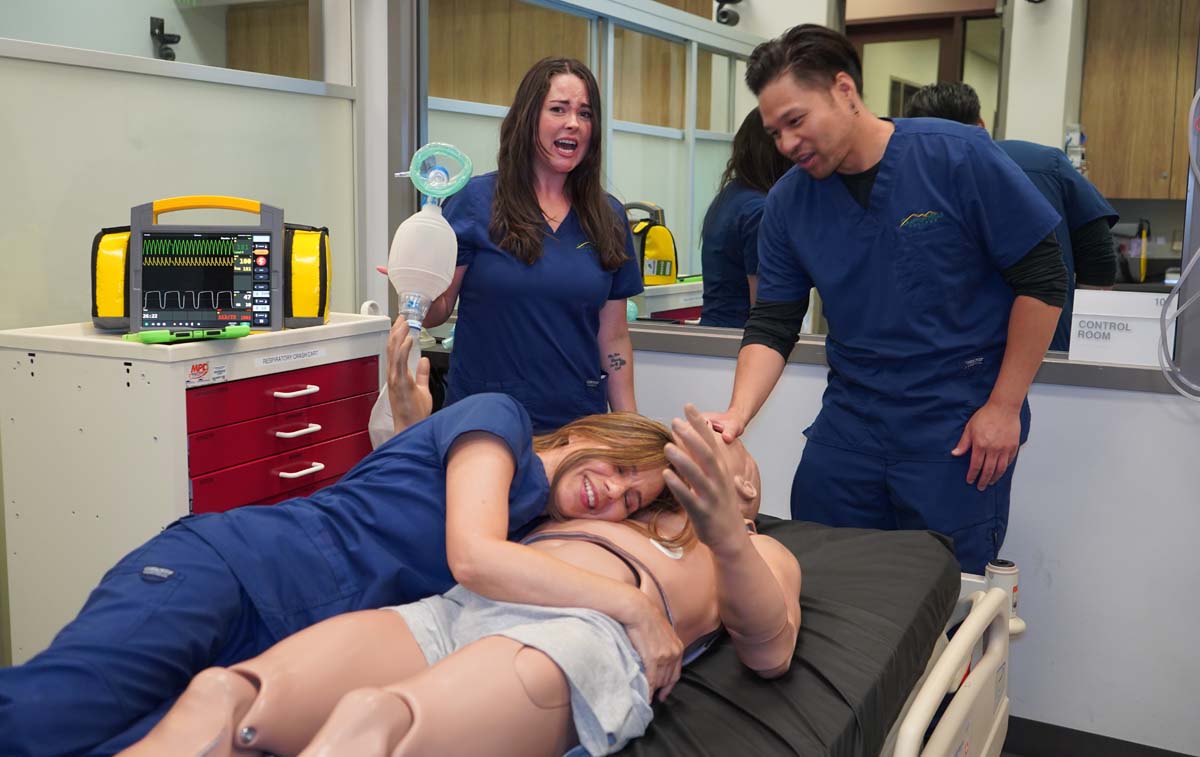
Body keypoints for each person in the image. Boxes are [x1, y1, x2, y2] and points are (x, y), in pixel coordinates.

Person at [0, 322, 681, 757]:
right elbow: (471, 556)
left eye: (631, 500)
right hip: (233, 571)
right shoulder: (501, 421)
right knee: (42, 718)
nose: (613, 492)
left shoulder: (532, 523)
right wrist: (635, 607)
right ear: (589, 431)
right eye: (621, 467)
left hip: (280, 640)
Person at [119, 406, 801, 757]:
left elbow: (767, 648)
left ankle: (371, 724)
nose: (714, 444)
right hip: (464, 604)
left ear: (749, 491)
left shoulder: (755, 553)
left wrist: (728, 531)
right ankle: (230, 701)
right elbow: (460, 523)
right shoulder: (618, 502)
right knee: (235, 691)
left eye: (730, 449)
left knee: (381, 716)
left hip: (580, 634)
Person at [704, 25, 1069, 575]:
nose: (785, 144)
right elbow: (774, 322)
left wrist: (1004, 406)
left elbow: (1043, 277)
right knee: (819, 575)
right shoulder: (787, 204)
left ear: (845, 91)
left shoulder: (956, 157)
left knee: (946, 596)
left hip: (955, 423)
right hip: (853, 421)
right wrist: (736, 415)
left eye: (796, 121)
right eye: (774, 130)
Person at [416, 56, 643, 434]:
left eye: (585, 114)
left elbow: (614, 337)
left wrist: (631, 431)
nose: (574, 122)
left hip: (576, 425)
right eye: (558, 109)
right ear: (528, 118)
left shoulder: (608, 216)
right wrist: (415, 282)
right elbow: (434, 313)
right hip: (484, 424)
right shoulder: (475, 202)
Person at [904, 81, 1119, 352]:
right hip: (1022, 352)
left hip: (1012, 352)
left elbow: (1096, 250)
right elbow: (1098, 254)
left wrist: (1089, 339)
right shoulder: (1041, 163)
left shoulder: (1040, 166)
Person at [699, 108, 794, 329]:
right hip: (740, 339)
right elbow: (763, 310)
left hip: (716, 335)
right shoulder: (759, 210)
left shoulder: (730, 196)